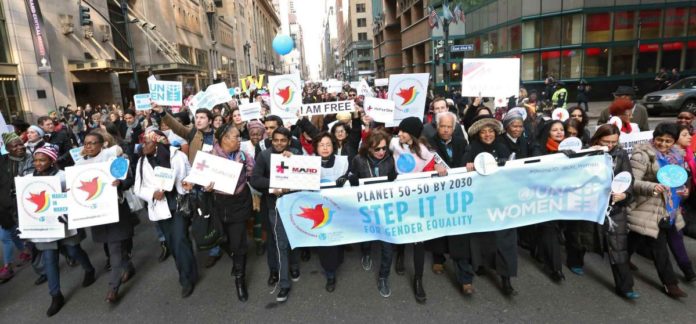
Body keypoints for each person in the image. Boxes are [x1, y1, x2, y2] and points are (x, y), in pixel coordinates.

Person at [565, 125, 639, 299]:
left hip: (613, 207)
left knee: (618, 246)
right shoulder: (584, 151)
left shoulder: (620, 154)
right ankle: (575, 260)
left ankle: (625, 286)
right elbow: (568, 169)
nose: (611, 145)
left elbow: (628, 178)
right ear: (597, 139)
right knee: (581, 234)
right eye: (607, 141)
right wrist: (589, 153)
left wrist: (625, 194)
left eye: (615, 141)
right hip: (587, 203)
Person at [150, 104, 224, 268]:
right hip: (196, 183)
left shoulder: (219, 135)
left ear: (210, 121)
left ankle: (217, 245)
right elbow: (176, 126)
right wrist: (162, 112)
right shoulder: (192, 133)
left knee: (214, 213)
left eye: (202, 117)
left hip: (214, 182)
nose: (198, 120)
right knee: (200, 215)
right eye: (196, 117)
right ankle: (207, 246)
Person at [26, 146, 96, 316]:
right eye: (36, 160)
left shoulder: (63, 176)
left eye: (42, 160)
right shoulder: (27, 179)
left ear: (52, 160)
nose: (38, 163)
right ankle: (55, 295)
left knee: (73, 250)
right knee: (49, 259)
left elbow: (74, 197)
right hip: (45, 226)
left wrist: (67, 202)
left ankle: (88, 269)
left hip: (64, 223)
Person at [457, 115, 517, 296]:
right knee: (483, 237)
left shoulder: (502, 146)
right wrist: (467, 166)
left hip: (502, 201)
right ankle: (481, 264)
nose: (488, 134)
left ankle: (506, 280)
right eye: (484, 132)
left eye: (491, 131)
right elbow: (462, 168)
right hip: (481, 201)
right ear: (478, 134)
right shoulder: (472, 148)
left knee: (505, 240)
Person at [134, 130, 198, 298]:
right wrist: (152, 194)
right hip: (161, 208)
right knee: (173, 243)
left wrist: (188, 183)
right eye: (142, 143)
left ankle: (186, 279)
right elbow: (138, 188)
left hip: (179, 205)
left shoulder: (177, 156)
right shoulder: (142, 162)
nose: (142, 146)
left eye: (146, 142)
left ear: (157, 143)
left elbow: (190, 172)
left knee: (180, 239)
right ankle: (187, 270)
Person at [628, 123, 688, 298]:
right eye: (659, 140)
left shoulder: (677, 156)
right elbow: (632, 182)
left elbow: (679, 180)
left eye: (668, 141)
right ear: (653, 138)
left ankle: (622, 254)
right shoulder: (642, 154)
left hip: (669, 206)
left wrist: (684, 190)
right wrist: (653, 186)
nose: (663, 144)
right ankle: (670, 284)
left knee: (636, 235)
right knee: (658, 244)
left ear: (674, 142)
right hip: (647, 205)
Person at [78, 132, 137, 302]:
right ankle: (128, 266)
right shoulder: (80, 165)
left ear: (102, 144)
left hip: (116, 211)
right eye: (86, 143)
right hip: (97, 213)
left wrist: (120, 182)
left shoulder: (114, 160)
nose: (88, 146)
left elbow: (129, 180)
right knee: (114, 246)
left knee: (115, 247)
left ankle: (113, 287)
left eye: (92, 143)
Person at [250, 127, 301, 302]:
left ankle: (294, 266)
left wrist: (295, 161)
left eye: (283, 140)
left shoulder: (295, 153)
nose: (279, 143)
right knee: (281, 244)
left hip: (295, 206)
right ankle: (284, 283)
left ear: (288, 141)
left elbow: (307, 176)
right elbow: (255, 179)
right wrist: (275, 185)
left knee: (294, 240)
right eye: (276, 140)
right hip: (275, 206)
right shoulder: (264, 156)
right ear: (271, 140)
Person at [388, 117, 435, 302]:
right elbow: (371, 143)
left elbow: (433, 170)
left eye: (403, 131)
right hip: (397, 197)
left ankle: (418, 279)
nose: (399, 134)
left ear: (413, 134)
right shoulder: (394, 144)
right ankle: (399, 254)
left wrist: (438, 168)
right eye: (399, 130)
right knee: (401, 229)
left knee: (418, 240)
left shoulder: (426, 152)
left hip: (417, 200)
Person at [207, 124, 255, 302]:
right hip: (218, 204)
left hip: (239, 203)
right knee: (223, 239)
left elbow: (254, 174)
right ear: (224, 139)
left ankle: (239, 280)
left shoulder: (243, 156)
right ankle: (235, 258)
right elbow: (198, 179)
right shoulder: (210, 157)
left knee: (239, 243)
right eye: (236, 137)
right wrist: (204, 186)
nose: (239, 140)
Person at [348, 130, 397, 298]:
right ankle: (366, 252)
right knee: (367, 236)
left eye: (384, 148)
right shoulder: (358, 160)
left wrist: (394, 178)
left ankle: (384, 276)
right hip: (366, 208)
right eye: (377, 149)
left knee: (388, 247)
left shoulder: (391, 160)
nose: (382, 152)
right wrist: (353, 180)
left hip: (386, 209)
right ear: (369, 148)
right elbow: (351, 176)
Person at [425, 112, 468, 278]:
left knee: (457, 225)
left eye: (449, 127)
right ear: (437, 126)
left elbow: (467, 158)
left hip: (457, 190)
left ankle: (463, 272)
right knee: (438, 224)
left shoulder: (461, 142)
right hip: (438, 190)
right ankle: (438, 258)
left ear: (454, 127)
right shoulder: (429, 144)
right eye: (442, 126)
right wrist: (432, 167)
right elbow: (424, 162)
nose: (445, 130)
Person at [313, 132, 350, 292]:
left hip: (339, 207)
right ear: (316, 148)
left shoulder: (343, 162)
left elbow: (353, 177)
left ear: (333, 146)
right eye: (321, 144)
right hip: (320, 210)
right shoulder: (309, 163)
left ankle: (337, 259)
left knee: (337, 240)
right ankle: (330, 274)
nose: (325, 148)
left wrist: (348, 178)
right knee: (326, 243)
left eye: (328, 144)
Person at [531, 120, 567, 282]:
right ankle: (555, 268)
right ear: (548, 132)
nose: (559, 132)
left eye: (561, 129)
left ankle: (538, 251)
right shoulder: (539, 149)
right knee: (549, 229)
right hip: (544, 196)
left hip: (562, 196)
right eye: (555, 130)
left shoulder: (570, 149)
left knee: (551, 229)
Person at [0, 133, 32, 282]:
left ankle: (27, 250)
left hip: (27, 204)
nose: (20, 147)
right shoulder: (2, 162)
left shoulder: (32, 159)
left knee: (19, 233)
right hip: (5, 205)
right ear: (7, 148)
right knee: (7, 235)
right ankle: (8, 265)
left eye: (21, 144)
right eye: (15, 145)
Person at [668, 125, 696, 281]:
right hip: (668, 202)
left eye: (690, 134)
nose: (690, 137)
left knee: (675, 233)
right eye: (685, 134)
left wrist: (686, 190)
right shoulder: (669, 157)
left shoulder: (689, 155)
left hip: (682, 202)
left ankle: (687, 270)